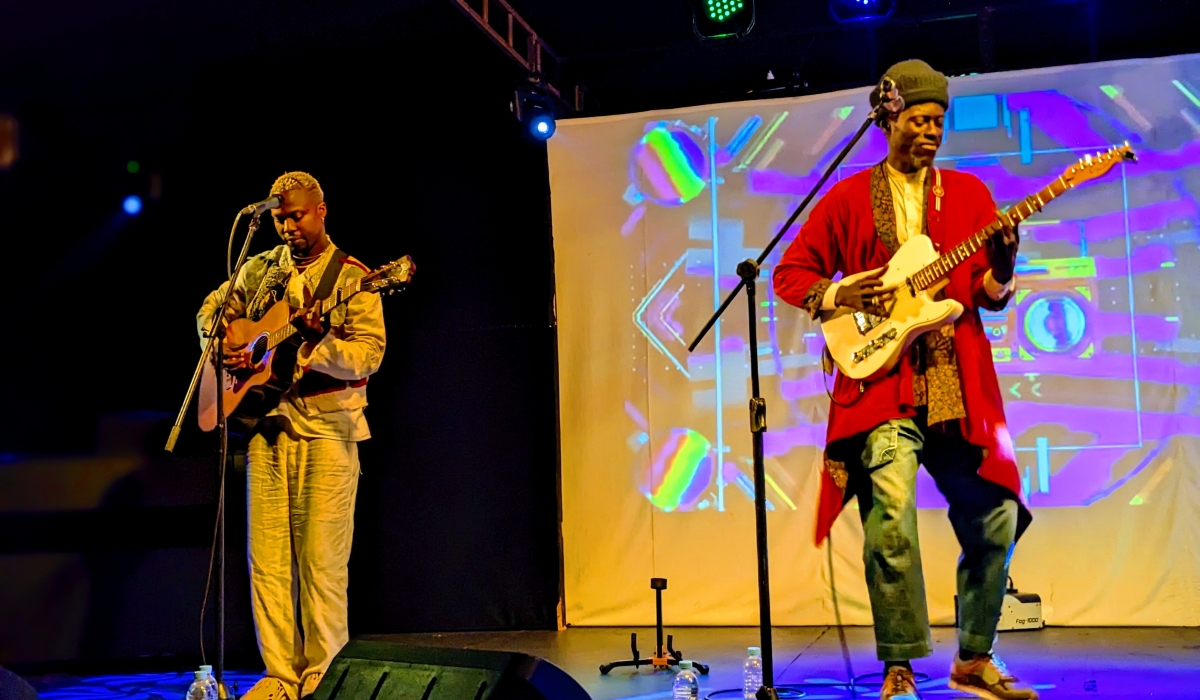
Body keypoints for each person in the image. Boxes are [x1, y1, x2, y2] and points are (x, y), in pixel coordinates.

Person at [773, 60, 1037, 700]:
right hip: (881, 387)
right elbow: (790, 274)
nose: (931, 131)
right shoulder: (845, 198)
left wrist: (1001, 269)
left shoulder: (970, 195)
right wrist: (837, 292)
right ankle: (899, 666)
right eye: (919, 119)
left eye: (938, 121)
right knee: (889, 516)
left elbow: (987, 294)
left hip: (956, 387)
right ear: (888, 117)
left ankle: (974, 658)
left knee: (996, 514)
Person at [197, 172, 386, 700]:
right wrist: (227, 347)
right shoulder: (260, 271)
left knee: (322, 565)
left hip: (327, 430)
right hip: (265, 430)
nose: (288, 226)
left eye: (297, 215)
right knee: (269, 566)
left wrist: (316, 343)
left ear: (322, 210)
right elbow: (209, 312)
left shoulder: (353, 278)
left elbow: (369, 355)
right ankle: (280, 675)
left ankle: (323, 675)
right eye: (280, 217)